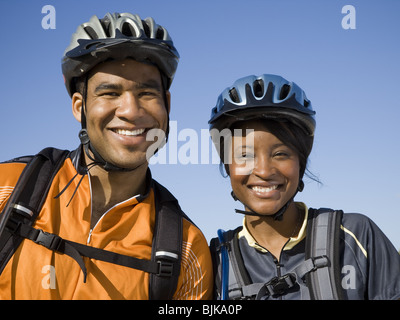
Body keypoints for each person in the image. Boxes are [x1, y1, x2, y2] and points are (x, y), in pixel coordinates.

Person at [0, 12, 213, 300]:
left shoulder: (186, 247)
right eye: (110, 92)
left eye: (148, 93)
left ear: (167, 104)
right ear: (79, 107)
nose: (131, 111)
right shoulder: (9, 187)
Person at [208, 73, 400, 300]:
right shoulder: (216, 261)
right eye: (244, 155)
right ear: (228, 166)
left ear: (301, 163)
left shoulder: (355, 236)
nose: (264, 171)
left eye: (280, 154)